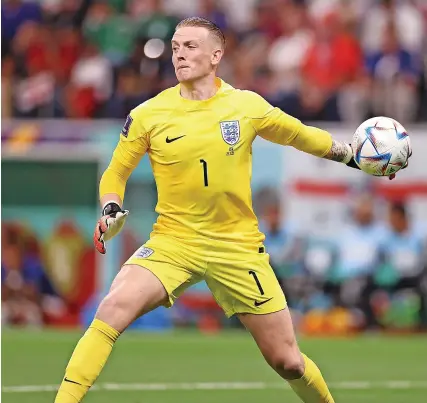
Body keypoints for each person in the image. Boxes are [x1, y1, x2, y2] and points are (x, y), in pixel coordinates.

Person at [54, 17, 407, 403]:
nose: (179, 54)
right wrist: (110, 206)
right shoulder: (147, 115)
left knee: (287, 361)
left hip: (236, 248)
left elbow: (300, 135)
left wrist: (355, 158)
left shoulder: (245, 106)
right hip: (175, 242)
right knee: (112, 308)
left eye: (190, 46)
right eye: (175, 47)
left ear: (216, 55)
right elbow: (116, 171)